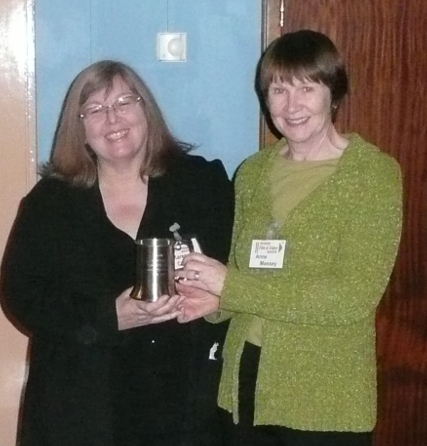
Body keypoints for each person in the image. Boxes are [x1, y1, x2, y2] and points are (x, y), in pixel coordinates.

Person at [176, 30, 403, 446]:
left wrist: (230, 286)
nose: (291, 106)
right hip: (244, 383)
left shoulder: (373, 175)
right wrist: (213, 301)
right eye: (278, 90)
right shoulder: (253, 172)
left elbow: (352, 296)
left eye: (306, 88)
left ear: (333, 93)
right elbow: (246, 274)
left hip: (324, 396)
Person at [1, 60, 233, 446]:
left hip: (184, 406)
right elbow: (22, 297)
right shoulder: (50, 203)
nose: (113, 118)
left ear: (147, 111)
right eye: (95, 109)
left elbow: (237, 271)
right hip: (82, 408)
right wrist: (110, 317)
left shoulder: (201, 184)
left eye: (125, 101)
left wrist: (215, 296)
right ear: (80, 129)